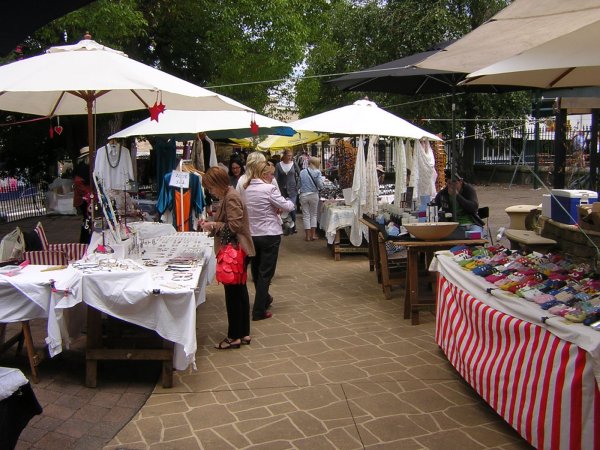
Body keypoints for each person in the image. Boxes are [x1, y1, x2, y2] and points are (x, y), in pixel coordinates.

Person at [200, 167, 255, 349]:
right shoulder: (229, 195)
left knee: (233, 296)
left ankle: (234, 336)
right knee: (239, 293)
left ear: (217, 184)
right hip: (238, 250)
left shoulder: (231, 196)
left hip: (234, 251)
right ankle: (243, 333)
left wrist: (213, 225)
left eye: (210, 187)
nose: (210, 191)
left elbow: (234, 226)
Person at [243, 160, 295, 321]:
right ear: (264, 174)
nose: (273, 177)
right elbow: (287, 206)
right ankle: (259, 310)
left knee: (257, 269)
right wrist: (291, 201)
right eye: (271, 174)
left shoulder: (247, 189)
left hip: (252, 234)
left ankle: (264, 299)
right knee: (266, 273)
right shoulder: (269, 188)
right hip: (269, 234)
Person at [434, 169, 483, 238]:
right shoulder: (443, 194)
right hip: (454, 226)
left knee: (475, 236)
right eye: (449, 183)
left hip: (472, 224)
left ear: (460, 182)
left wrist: (457, 196)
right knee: (444, 236)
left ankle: (466, 238)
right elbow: (434, 207)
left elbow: (473, 208)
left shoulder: (468, 189)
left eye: (455, 183)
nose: (452, 186)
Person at [298, 157, 324, 241]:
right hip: (313, 195)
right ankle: (313, 235)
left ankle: (307, 236)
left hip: (303, 195)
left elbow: (298, 184)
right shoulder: (317, 172)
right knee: (313, 215)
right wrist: (322, 186)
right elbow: (320, 185)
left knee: (306, 215)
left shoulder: (302, 172)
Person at [275, 149, 300, 234]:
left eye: (291, 155)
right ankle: (285, 226)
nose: (290, 157)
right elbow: (276, 178)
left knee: (292, 208)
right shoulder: (278, 165)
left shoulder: (294, 164)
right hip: (282, 190)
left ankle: (294, 225)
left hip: (293, 190)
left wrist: (298, 186)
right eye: (288, 155)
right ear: (284, 155)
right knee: (284, 209)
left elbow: (300, 175)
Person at [73, 146, 92, 243]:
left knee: (87, 219)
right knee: (87, 219)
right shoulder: (82, 168)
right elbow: (79, 184)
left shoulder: (84, 167)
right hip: (84, 198)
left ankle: (86, 239)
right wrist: (88, 194)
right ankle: (85, 240)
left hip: (85, 197)